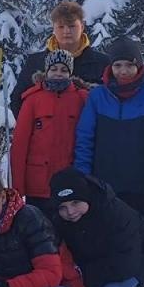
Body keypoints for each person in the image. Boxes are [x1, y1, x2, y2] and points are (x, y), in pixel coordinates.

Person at [73, 36, 144, 216]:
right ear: (110, 67)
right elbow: (85, 139)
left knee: (134, 239)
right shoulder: (97, 97)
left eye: (129, 65)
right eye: (117, 65)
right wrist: (82, 175)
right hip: (102, 184)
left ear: (139, 66)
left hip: (139, 185)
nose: (123, 71)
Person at [8, 49, 89, 214]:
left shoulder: (82, 99)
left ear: (70, 72)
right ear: (46, 71)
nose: (58, 73)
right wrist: (17, 187)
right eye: (54, 69)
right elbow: (20, 145)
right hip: (38, 184)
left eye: (64, 70)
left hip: (69, 180)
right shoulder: (32, 99)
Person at [15, 0, 111, 89]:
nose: (66, 31)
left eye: (72, 26)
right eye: (61, 26)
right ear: (53, 28)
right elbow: (17, 100)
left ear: (82, 26)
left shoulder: (102, 63)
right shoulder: (35, 62)